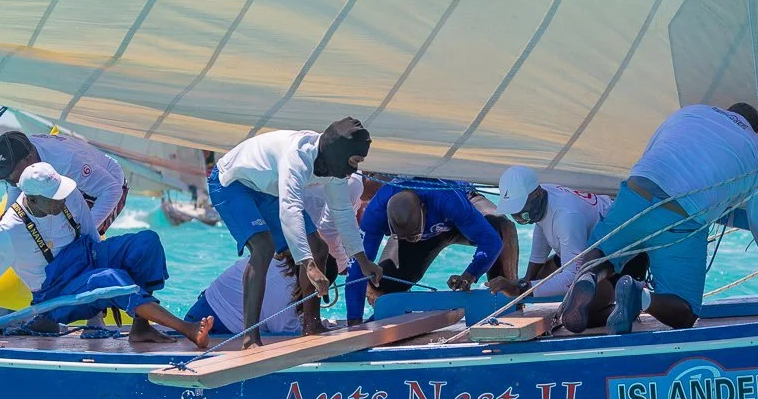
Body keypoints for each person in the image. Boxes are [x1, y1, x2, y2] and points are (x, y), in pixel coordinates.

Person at [557, 103, 758, 335]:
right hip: (682, 216)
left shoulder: (690, 112)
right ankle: (639, 296)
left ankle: (588, 277)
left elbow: (652, 152)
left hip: (638, 190)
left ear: (726, 110)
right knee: (686, 312)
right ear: (754, 130)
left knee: (604, 251)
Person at [0, 163, 207, 366]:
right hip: (57, 293)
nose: (61, 200)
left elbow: (91, 235)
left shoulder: (67, 192)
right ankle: (187, 329)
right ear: (32, 200)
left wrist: (98, 313)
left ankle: (141, 327)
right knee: (109, 279)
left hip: (88, 255)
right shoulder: (8, 232)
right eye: (53, 198)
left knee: (145, 243)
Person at [208, 118, 382, 347]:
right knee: (263, 247)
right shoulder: (297, 158)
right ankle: (250, 336)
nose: (355, 169)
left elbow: (343, 214)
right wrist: (308, 265)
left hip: (265, 189)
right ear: (339, 153)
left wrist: (362, 259)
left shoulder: (334, 166)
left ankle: (310, 325)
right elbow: (290, 210)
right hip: (231, 183)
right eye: (354, 160)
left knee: (319, 247)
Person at [349, 177, 519, 321]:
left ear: (423, 209)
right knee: (380, 286)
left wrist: (469, 275)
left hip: (460, 218)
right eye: (404, 236)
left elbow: (491, 242)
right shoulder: (375, 212)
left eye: (412, 235)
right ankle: (392, 317)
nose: (409, 239)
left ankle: (508, 303)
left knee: (502, 228)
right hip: (424, 235)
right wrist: (354, 322)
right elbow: (358, 268)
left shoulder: (448, 199)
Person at [494, 165, 611, 299]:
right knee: (541, 276)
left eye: (522, 212)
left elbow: (572, 278)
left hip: (614, 254)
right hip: (583, 244)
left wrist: (520, 290)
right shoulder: (543, 196)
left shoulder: (567, 217)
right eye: (514, 214)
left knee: (580, 302)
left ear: (537, 194)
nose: (519, 218)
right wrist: (525, 282)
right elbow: (540, 244)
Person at [0, 130, 128, 234]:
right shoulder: (21, 152)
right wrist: (7, 218)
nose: (8, 180)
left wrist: (85, 232)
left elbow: (112, 190)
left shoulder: (67, 161)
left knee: (73, 234)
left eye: (9, 174)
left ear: (28, 159)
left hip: (108, 187)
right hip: (69, 183)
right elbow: (16, 185)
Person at [185, 253, 339, 336]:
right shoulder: (281, 284)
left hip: (208, 313)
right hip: (210, 326)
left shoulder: (281, 262)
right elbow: (285, 331)